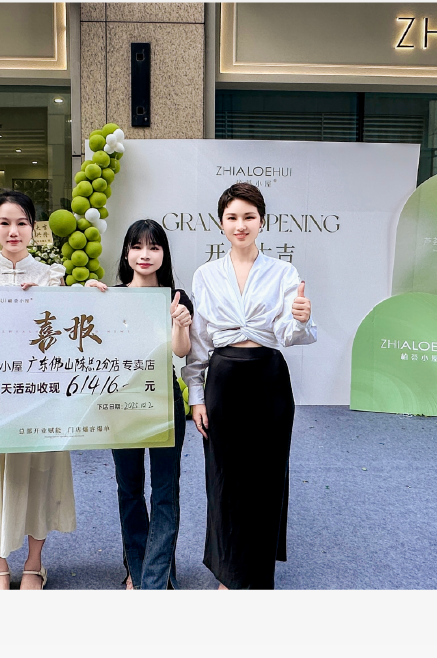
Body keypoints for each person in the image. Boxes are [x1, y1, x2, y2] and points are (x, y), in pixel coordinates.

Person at [0, 189, 106, 589]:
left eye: (21, 223)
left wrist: (88, 298)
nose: (13, 231)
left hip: (38, 399)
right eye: (4, 223)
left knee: (39, 477)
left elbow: (66, 336)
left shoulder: (51, 276)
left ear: (34, 228)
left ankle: (34, 563)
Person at [183, 182, 316, 590]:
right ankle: (227, 573)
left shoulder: (283, 273)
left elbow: (288, 333)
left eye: (249, 217)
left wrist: (301, 318)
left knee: (265, 478)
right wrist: (196, 396)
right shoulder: (206, 275)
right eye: (232, 217)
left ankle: (256, 576)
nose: (240, 225)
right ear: (221, 223)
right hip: (223, 379)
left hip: (268, 379)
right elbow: (199, 342)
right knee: (223, 479)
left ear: (262, 221)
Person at [109, 218, 195, 589]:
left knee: (164, 492)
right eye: (137, 246)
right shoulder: (110, 296)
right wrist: (88, 298)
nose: (145, 255)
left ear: (164, 254)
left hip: (163, 400)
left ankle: (155, 578)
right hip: (121, 402)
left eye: (154, 247)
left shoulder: (176, 297)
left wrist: (180, 323)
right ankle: (137, 567)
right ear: (127, 253)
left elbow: (182, 351)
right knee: (129, 490)